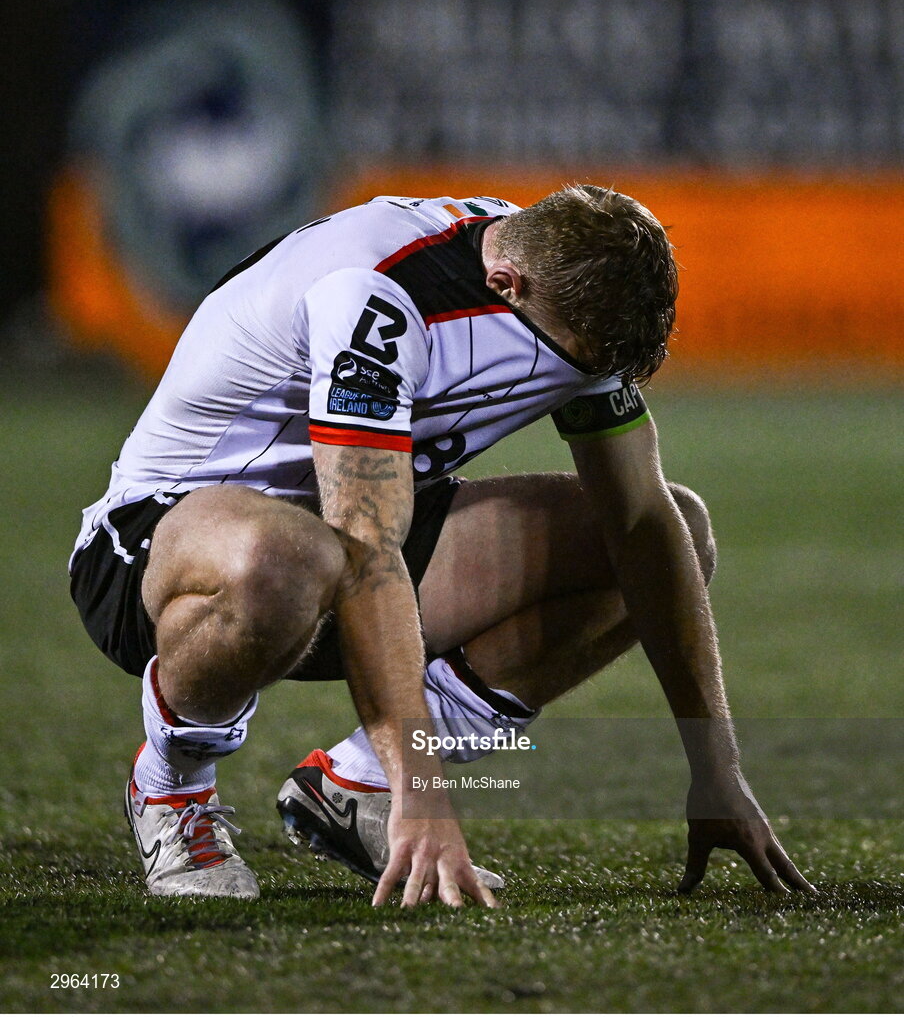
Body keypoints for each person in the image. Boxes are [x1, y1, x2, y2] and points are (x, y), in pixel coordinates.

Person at [69, 186, 813, 906]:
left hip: (347, 541)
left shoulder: (556, 273)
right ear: (504, 284)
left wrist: (714, 765)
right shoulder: (372, 294)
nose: (586, 377)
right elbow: (364, 549)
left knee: (677, 528)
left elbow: (644, 521)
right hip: (163, 551)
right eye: (578, 359)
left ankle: (355, 786)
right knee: (294, 557)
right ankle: (173, 786)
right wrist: (425, 790)